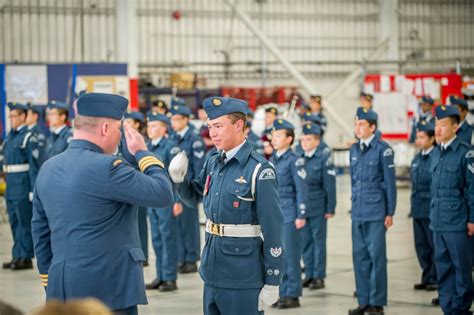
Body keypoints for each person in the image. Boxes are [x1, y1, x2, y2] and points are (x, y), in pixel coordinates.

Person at [31, 93, 174, 315]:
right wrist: (142, 152)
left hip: (62, 289)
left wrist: (51, 280)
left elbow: (39, 233)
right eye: (119, 130)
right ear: (106, 128)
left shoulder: (48, 168)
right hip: (109, 290)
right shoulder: (109, 167)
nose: (120, 138)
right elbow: (163, 194)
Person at [168, 96, 283, 314]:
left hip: (243, 275)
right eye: (210, 126)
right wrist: (179, 180)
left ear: (239, 125)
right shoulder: (213, 161)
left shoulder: (260, 170)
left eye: (218, 126)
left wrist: (273, 279)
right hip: (212, 269)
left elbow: (274, 229)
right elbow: (194, 198)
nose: (212, 133)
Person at [348, 107, 397, 315]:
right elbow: (353, 181)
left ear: (372, 127)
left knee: (377, 258)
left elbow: (390, 183)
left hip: (377, 211)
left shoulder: (383, 149)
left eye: (361, 124)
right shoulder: (353, 149)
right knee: (359, 257)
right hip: (358, 210)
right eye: (356, 124)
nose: (357, 128)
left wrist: (390, 211)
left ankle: (377, 302)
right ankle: (364, 300)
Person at [430, 104, 473, 315]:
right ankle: (448, 308)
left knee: (461, 268)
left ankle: (461, 309)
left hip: (457, 221)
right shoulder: (435, 154)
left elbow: (472, 190)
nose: (438, 129)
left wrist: (472, 219)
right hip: (437, 221)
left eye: (443, 125)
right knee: (443, 268)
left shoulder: (466, 154)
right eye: (436, 124)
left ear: (455, 127)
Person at [270, 119, 308, 309]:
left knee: (291, 256)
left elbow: (301, 189)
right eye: (273, 135)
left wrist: (301, 214)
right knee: (277, 255)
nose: (273, 139)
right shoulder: (272, 159)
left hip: (291, 212)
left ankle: (293, 294)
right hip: (275, 213)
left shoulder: (295, 160)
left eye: (278, 136)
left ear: (289, 139)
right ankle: (282, 291)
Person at [1, 102, 42, 270]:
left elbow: (33, 166)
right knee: (14, 222)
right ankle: (17, 254)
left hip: (23, 185)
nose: (11, 119)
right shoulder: (10, 137)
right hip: (10, 184)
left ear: (23, 117)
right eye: (10, 116)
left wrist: (33, 190)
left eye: (14, 116)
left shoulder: (28, 137)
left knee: (24, 222)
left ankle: (25, 257)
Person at [145, 112, 181, 292]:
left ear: (163, 128)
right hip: (152, 199)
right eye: (149, 126)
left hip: (167, 200)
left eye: (153, 126)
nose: (149, 129)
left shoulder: (170, 148)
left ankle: (170, 278)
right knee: (157, 239)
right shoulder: (146, 147)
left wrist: (177, 201)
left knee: (168, 238)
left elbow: (178, 177)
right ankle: (160, 276)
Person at [169, 103, 205, 273]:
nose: (173, 123)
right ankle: (181, 257)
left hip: (188, 186)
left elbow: (198, 166)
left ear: (185, 119)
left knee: (190, 225)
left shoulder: (194, 139)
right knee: (179, 225)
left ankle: (191, 258)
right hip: (175, 186)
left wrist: (197, 188)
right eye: (172, 119)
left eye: (177, 119)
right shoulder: (173, 137)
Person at [300, 122, 336, 291]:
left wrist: (330, 208)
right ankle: (309, 274)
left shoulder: (322, 158)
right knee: (305, 242)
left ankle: (319, 277)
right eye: (302, 140)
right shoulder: (299, 158)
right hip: (303, 207)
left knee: (318, 243)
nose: (304, 143)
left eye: (308, 140)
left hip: (319, 207)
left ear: (317, 141)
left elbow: (330, 185)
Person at [409, 121, 437, 292]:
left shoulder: (435, 157)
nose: (417, 140)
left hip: (430, 209)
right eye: (417, 137)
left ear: (432, 138)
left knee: (433, 245)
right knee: (421, 246)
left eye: (421, 137)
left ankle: (435, 278)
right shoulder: (417, 158)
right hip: (417, 208)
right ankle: (426, 276)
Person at [119, 110, 150, 265]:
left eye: (130, 122)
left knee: (140, 221)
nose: (127, 126)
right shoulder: (121, 140)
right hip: (123, 183)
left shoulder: (140, 141)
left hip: (137, 181)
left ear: (137, 124)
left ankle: (143, 253)